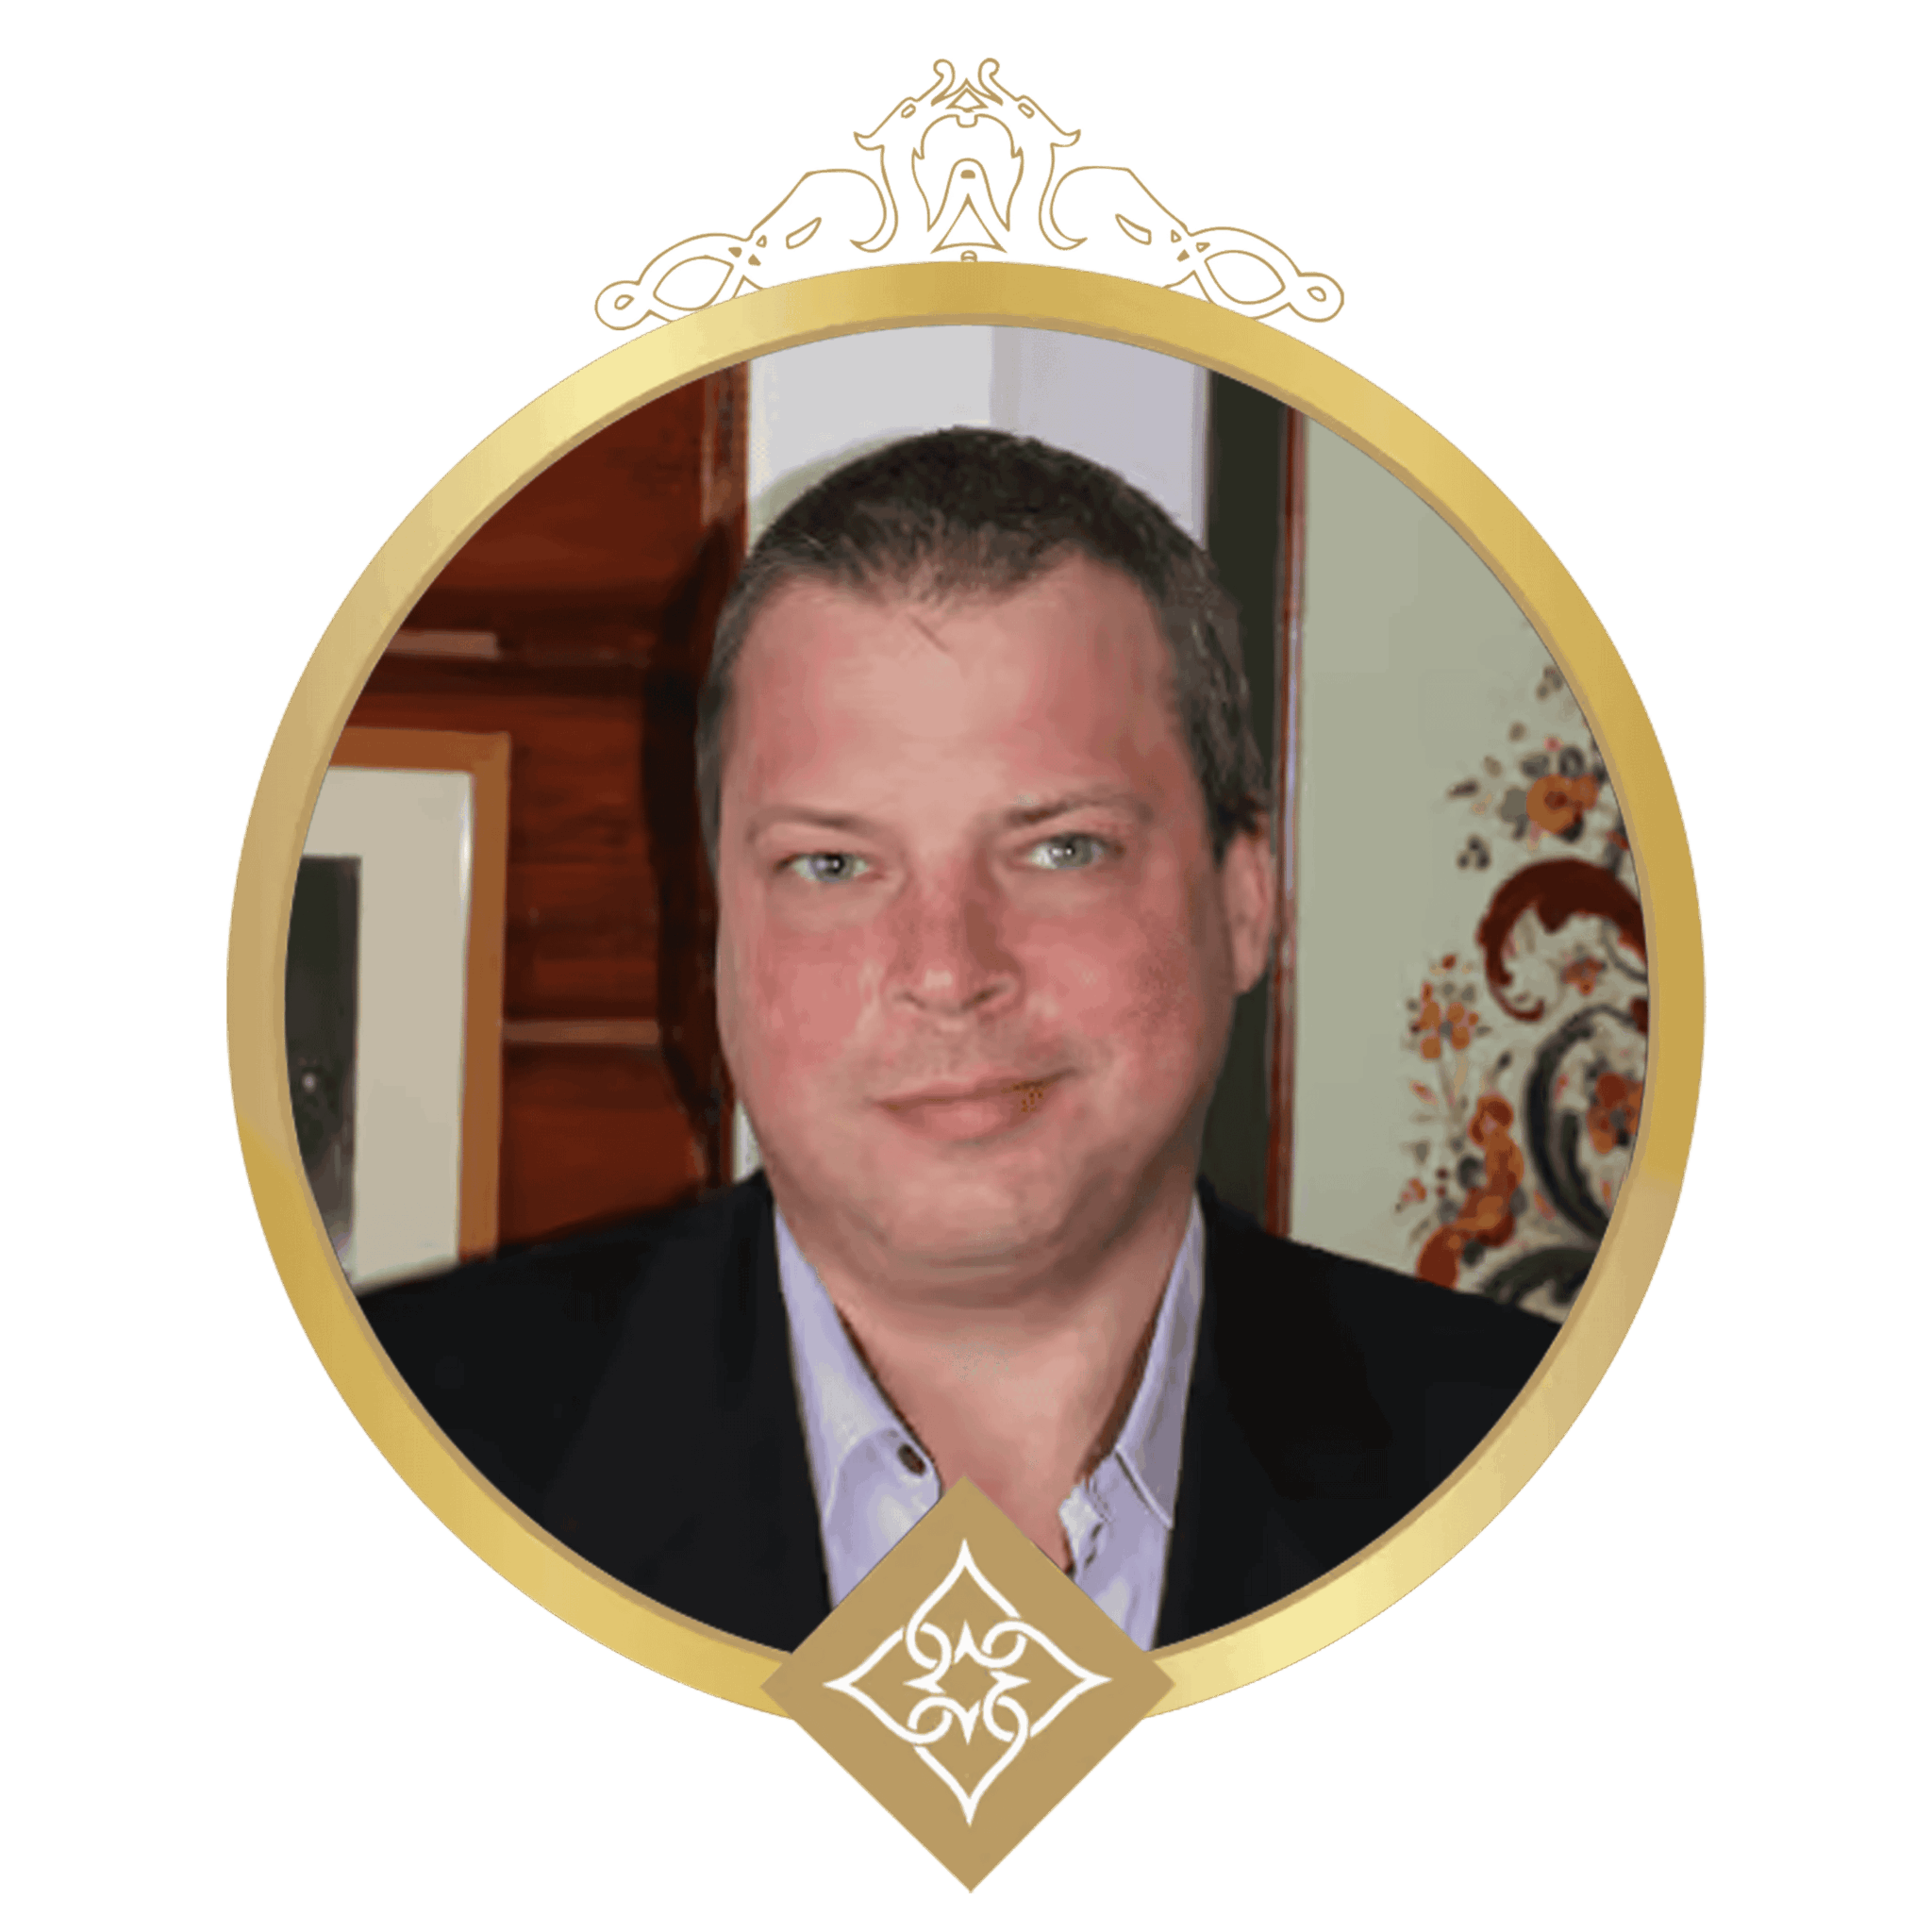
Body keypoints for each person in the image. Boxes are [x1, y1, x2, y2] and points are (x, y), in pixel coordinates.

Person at [365, 427, 1554, 1651]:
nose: (946, 970)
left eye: (1061, 849)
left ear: (1245, 901)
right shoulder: (376, 1463)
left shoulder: (1548, 1467)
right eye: (830, 864)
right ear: (715, 931)